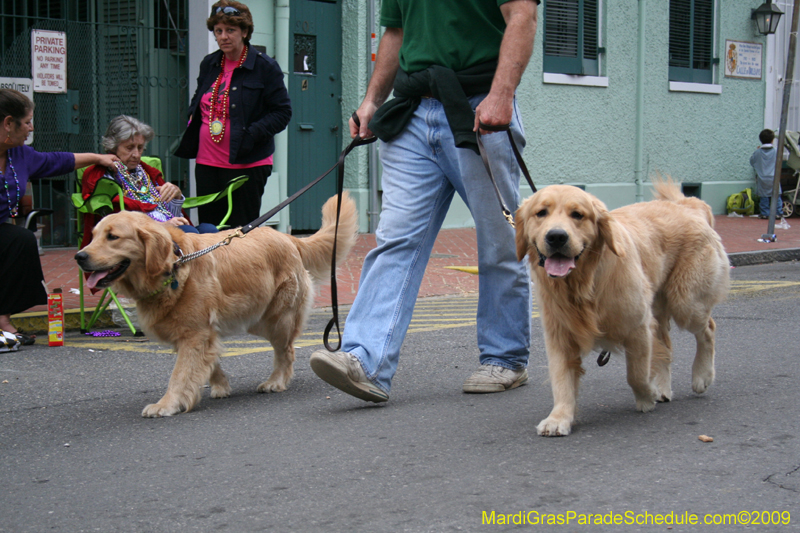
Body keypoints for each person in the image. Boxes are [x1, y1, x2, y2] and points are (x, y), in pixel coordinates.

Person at [310, 0, 539, 403]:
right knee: (396, 239)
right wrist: (372, 101)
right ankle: (365, 361)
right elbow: (396, 35)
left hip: (478, 106)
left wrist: (502, 95)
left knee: (500, 240)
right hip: (413, 110)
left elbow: (521, 17)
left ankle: (506, 357)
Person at [0, 88, 118, 345]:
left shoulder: (18, 155)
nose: (31, 128)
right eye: (28, 122)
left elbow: (57, 161)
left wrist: (98, 158)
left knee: (20, 240)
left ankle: (2, 319)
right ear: (9, 123)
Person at [175, 0, 292, 228]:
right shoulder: (209, 63)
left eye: (230, 30)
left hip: (248, 163)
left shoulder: (264, 67)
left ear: (245, 32)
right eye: (218, 31)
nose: (223, 37)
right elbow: (198, 99)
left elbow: (282, 111)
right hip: (208, 161)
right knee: (209, 230)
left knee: (240, 233)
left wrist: (252, 134)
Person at [80, 115, 218, 250]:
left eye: (140, 148)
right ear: (113, 147)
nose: (136, 154)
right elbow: (115, 222)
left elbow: (170, 214)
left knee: (209, 230)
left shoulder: (146, 172)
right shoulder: (102, 176)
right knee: (188, 233)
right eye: (129, 148)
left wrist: (175, 196)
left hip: (170, 231)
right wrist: (161, 226)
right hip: (140, 239)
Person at [750, 128, 783, 219]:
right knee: (776, 195)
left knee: (764, 196)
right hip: (774, 177)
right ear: (772, 140)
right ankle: (778, 212)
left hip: (762, 178)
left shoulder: (757, 152)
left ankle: (765, 213)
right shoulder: (776, 151)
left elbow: (752, 162)